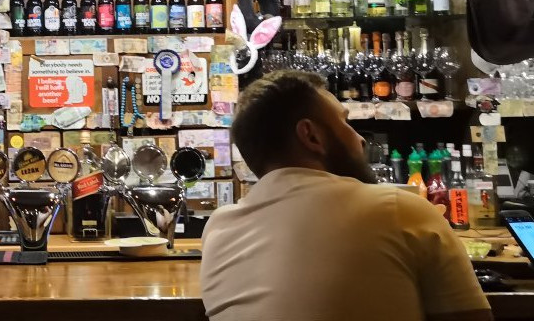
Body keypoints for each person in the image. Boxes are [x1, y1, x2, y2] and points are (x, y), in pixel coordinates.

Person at [201, 70, 491, 321]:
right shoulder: (397, 210)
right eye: (345, 122)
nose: (360, 138)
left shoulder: (219, 229)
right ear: (311, 136)